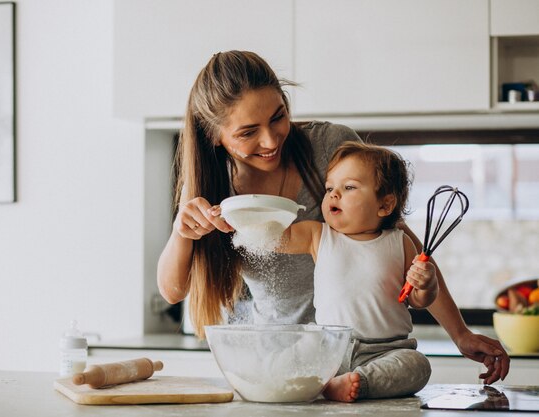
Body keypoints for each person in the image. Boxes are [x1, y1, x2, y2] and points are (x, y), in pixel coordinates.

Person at [156, 50, 509, 385]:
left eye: (278, 116)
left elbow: (409, 251)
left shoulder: (330, 146)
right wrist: (182, 233)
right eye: (248, 132)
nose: (270, 139)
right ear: (214, 136)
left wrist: (460, 334)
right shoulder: (213, 189)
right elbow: (173, 291)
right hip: (283, 363)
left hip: (364, 354)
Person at [278, 141, 436, 401]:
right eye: (330, 188)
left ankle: (354, 383)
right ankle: (327, 381)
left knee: (417, 365)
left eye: (348, 187)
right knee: (289, 354)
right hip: (328, 347)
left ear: (384, 205)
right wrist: (239, 220)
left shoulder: (400, 242)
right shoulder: (318, 235)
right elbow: (277, 237)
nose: (333, 195)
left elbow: (416, 300)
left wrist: (427, 285)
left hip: (386, 351)